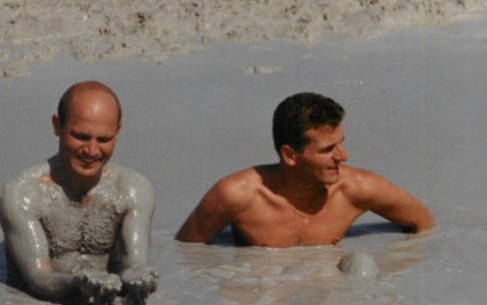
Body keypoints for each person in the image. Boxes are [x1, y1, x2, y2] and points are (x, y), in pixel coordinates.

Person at [175, 92, 435, 247]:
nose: (343, 156)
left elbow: (425, 225)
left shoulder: (359, 188)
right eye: (327, 149)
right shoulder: (237, 195)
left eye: (341, 143)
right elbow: (187, 254)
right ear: (290, 155)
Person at [0, 81, 157, 305]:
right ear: (57, 126)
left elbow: (134, 263)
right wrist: (77, 282)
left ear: (118, 131)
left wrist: (139, 276)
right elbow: (37, 277)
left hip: (107, 302)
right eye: (81, 137)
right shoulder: (22, 193)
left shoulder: (133, 189)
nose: (92, 151)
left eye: (104, 139)